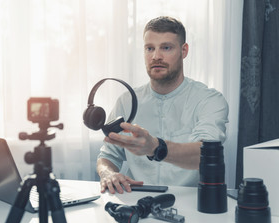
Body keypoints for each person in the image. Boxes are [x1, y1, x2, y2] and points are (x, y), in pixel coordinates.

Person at [97, 16, 229, 194]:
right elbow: (107, 156)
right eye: (150, 48)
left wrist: (156, 147)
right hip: (136, 200)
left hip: (191, 204)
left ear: (184, 51)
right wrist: (108, 174)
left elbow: (206, 155)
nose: (156, 56)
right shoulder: (126, 101)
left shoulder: (210, 100)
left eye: (166, 48)